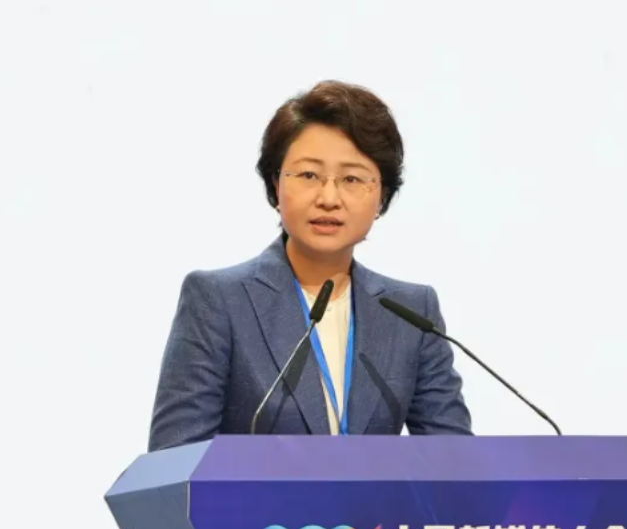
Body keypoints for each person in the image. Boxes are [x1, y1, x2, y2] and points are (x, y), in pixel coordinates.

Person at [147, 80, 472, 452]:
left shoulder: (412, 313)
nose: (328, 198)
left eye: (352, 179)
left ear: (381, 197)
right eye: (308, 175)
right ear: (276, 184)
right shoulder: (218, 301)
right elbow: (174, 460)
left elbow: (456, 461)